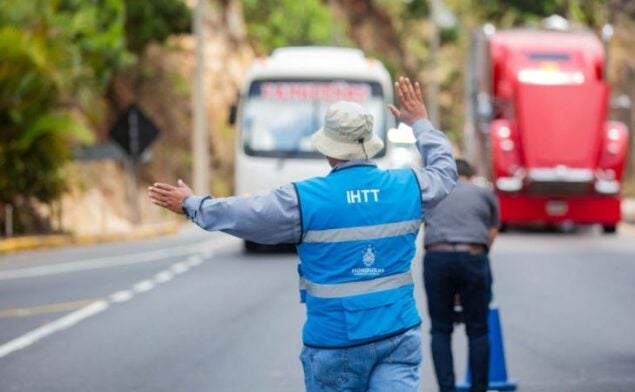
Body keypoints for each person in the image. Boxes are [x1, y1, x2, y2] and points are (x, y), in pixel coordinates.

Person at [148, 77, 457, 391]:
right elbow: (445, 171)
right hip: (398, 336)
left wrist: (192, 205)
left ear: (329, 148)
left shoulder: (305, 199)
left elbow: (247, 213)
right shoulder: (409, 187)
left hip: (337, 344)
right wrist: (420, 124)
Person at [422, 159, 499, 392]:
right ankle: (478, 389)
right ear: (470, 175)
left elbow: (428, 227)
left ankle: (447, 389)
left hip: (437, 257)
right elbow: (491, 232)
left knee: (440, 329)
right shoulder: (483, 193)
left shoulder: (433, 195)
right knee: (477, 329)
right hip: (473, 255)